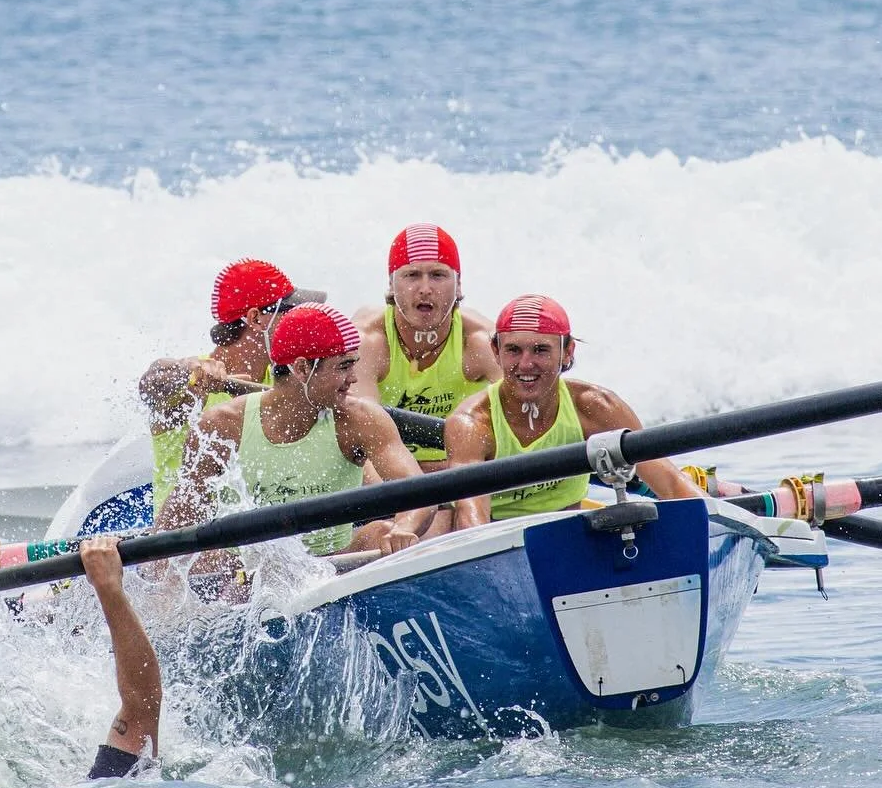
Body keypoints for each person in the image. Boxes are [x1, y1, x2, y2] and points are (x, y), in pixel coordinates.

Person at [158, 303, 435, 558]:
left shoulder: (360, 419)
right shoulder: (222, 425)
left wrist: (405, 526)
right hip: (249, 575)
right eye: (344, 366)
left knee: (381, 533)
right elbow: (178, 519)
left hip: (335, 562)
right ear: (302, 368)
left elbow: (418, 491)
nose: (354, 379)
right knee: (216, 562)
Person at [445, 294, 703, 529]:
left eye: (540, 350)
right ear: (495, 352)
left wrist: (712, 524)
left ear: (567, 353)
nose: (526, 364)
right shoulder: (471, 424)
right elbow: (471, 520)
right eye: (513, 350)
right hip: (495, 541)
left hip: (568, 535)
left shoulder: (597, 407)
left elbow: (671, 485)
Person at [138, 259, 325, 515]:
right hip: (189, 540)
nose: (300, 322)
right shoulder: (193, 386)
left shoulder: (286, 378)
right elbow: (153, 381)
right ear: (256, 318)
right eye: (290, 311)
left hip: (264, 537)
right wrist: (185, 370)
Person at [351, 223, 501, 471]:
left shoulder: (483, 342)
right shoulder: (366, 341)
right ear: (391, 284)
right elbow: (362, 444)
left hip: (461, 471)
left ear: (459, 284)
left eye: (438, 275)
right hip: (389, 473)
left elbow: (523, 428)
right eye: (411, 275)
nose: (425, 289)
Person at [80, 536, 162, 780]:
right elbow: (143, 707)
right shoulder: (115, 785)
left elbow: (141, 709)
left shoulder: (106, 785)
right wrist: (107, 587)